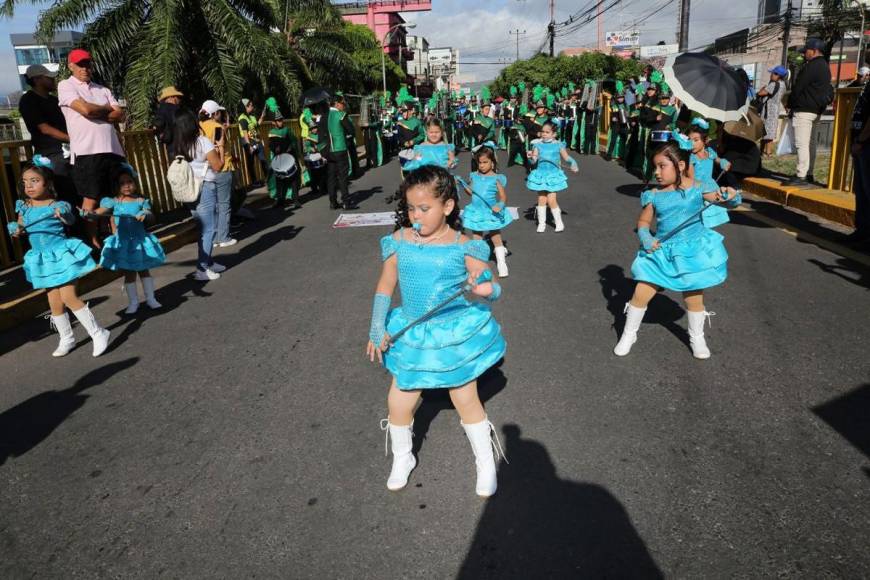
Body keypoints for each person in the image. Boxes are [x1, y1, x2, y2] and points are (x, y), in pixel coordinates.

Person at [366, 165, 506, 497]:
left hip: (451, 334)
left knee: (465, 396)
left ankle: (485, 460)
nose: (416, 216)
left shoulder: (464, 245)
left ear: (447, 206)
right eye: (411, 208)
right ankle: (403, 457)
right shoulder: (399, 240)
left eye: (424, 208)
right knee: (398, 401)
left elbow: (490, 285)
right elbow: (386, 285)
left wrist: (486, 289)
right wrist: (376, 327)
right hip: (413, 332)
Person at [613, 138, 741, 360]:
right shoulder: (653, 195)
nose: (657, 172)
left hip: (692, 251)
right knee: (641, 291)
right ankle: (629, 333)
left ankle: (696, 337)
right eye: (655, 167)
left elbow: (721, 200)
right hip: (662, 250)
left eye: (662, 166)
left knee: (693, 296)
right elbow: (643, 222)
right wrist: (645, 237)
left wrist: (731, 196)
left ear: (680, 165)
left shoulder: (698, 188)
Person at [7, 156, 109, 357]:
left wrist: (64, 214)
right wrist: (16, 229)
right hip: (42, 260)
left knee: (69, 296)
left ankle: (98, 332)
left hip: (62, 256)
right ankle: (67, 338)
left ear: (47, 183)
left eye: (34, 181)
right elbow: (21, 225)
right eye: (25, 182)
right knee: (54, 301)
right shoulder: (24, 206)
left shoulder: (58, 204)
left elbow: (70, 221)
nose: (28, 186)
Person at [57, 48, 127, 249]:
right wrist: (105, 109)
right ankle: (93, 243)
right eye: (80, 64)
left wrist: (96, 110)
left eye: (87, 64)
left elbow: (119, 114)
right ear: (70, 66)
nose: (84, 68)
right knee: (90, 199)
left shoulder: (102, 89)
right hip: (86, 152)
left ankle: (118, 239)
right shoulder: (65, 85)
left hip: (112, 150)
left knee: (116, 196)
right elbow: (85, 110)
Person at [88, 163, 165, 314]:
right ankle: (133, 302)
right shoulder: (113, 201)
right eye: (122, 183)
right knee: (129, 273)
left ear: (135, 183)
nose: (127, 186)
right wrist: (90, 214)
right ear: (116, 185)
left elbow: (149, 213)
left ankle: (151, 298)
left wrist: (145, 214)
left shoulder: (140, 201)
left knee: (144, 269)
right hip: (124, 243)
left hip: (140, 241)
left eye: (129, 182)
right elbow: (99, 211)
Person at [173, 108, 227, 281]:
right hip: (205, 187)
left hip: (189, 190)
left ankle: (208, 262)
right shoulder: (202, 142)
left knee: (202, 228)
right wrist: (221, 146)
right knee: (209, 229)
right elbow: (218, 166)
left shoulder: (178, 145)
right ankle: (202, 268)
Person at [18, 65, 77, 207]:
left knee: (77, 193)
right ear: (37, 79)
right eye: (48, 77)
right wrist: (73, 139)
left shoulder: (54, 100)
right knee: (62, 196)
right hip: (51, 156)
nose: (53, 79)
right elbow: (44, 129)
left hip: (69, 151)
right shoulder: (28, 100)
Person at [458, 146, 513, 277]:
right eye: (479, 162)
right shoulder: (474, 176)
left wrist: (500, 204)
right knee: (476, 238)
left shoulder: (496, 178)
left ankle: (501, 263)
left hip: (490, 212)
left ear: (492, 162)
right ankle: (477, 266)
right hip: (476, 212)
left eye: (485, 162)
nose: (482, 165)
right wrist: (462, 184)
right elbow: (470, 192)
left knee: (495, 237)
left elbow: (503, 196)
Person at [785, 38, 833, 186]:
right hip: (816, 110)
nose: (805, 53)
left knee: (802, 143)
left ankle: (801, 175)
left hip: (804, 109)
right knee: (810, 143)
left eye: (806, 51)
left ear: (814, 51)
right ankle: (809, 173)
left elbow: (798, 87)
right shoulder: (825, 66)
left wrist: (790, 104)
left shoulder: (811, 66)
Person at [527, 121, 578, 233]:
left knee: (551, 199)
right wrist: (530, 157)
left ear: (554, 134)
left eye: (547, 132)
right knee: (541, 199)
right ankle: (541, 223)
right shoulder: (537, 145)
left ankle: (559, 222)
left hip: (553, 176)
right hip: (541, 175)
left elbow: (566, 157)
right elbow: (534, 160)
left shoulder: (558, 145)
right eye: (543, 132)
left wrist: (573, 163)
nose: (544, 134)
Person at [199, 100, 237, 247]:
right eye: (219, 112)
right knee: (223, 204)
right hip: (221, 167)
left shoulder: (199, 127)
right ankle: (223, 237)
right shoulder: (217, 127)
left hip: (206, 169)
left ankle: (213, 238)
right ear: (214, 114)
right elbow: (219, 146)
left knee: (212, 205)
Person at [846, 76, 870, 243]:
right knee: (861, 192)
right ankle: (861, 232)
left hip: (866, 144)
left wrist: (862, 139)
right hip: (860, 143)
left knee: (867, 192)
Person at [267, 113, 302, 210]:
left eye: (281, 120)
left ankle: (295, 199)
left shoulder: (287, 130)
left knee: (294, 179)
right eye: (278, 120)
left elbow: (294, 141)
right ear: (273, 122)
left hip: (289, 156)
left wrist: (291, 148)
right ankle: (280, 199)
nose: (281, 122)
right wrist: (275, 149)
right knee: (279, 180)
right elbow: (270, 145)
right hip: (279, 158)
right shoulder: (272, 132)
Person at [323, 97, 351, 209]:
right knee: (343, 176)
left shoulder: (325, 116)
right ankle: (345, 202)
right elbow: (350, 129)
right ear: (336, 104)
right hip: (340, 148)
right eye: (341, 103)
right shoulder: (340, 115)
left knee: (331, 178)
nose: (343, 105)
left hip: (329, 151)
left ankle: (332, 202)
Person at [755, 66, 786, 157]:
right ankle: (763, 152)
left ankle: (767, 153)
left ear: (777, 75)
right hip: (774, 110)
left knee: (767, 133)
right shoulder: (783, 85)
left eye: (772, 73)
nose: (771, 75)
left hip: (768, 111)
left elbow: (761, 93)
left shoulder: (774, 84)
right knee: (768, 132)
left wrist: (763, 88)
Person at [154, 86, 183, 157]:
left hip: (172, 146)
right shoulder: (179, 109)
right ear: (172, 97)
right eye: (178, 97)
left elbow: (159, 123)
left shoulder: (161, 109)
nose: (179, 100)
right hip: (184, 144)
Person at [605, 84, 629, 161]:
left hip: (624, 125)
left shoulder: (626, 105)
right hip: (616, 125)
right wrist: (613, 118)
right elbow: (612, 114)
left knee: (624, 140)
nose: (620, 99)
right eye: (619, 97)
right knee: (613, 140)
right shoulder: (614, 105)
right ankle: (609, 155)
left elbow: (628, 114)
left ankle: (624, 156)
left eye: (621, 97)